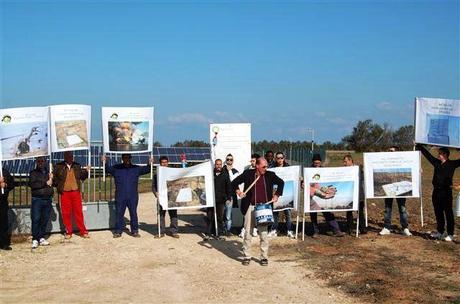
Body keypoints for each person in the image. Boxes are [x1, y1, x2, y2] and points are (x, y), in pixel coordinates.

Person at [232, 157, 284, 266]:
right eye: (263, 166)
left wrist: (276, 195)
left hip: (263, 208)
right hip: (250, 207)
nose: (266, 168)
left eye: (267, 166)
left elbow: (281, 183)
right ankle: (247, 256)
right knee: (248, 232)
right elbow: (234, 182)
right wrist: (239, 192)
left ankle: (264, 257)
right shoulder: (248, 174)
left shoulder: (270, 175)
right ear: (257, 166)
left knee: (263, 233)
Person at [416, 144, 460, 242]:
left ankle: (450, 233)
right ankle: (440, 232)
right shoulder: (436, 163)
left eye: (440, 153)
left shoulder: (452, 164)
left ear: (445, 155)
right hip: (436, 192)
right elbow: (428, 156)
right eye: (438, 153)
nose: (438, 155)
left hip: (446, 192)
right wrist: (419, 146)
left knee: (448, 213)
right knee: (438, 212)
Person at [103, 153, 152, 238]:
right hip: (120, 195)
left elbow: (147, 170)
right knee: (119, 214)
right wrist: (105, 161)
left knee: (133, 213)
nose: (127, 159)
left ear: (131, 158)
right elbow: (107, 169)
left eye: (128, 157)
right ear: (122, 158)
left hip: (132, 196)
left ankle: (135, 231)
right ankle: (118, 231)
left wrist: (150, 163)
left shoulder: (136, 168)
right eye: (125, 158)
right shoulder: (116, 168)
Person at [53, 151, 90, 239]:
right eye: (68, 156)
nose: (70, 157)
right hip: (65, 192)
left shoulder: (77, 165)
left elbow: (82, 177)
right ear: (64, 156)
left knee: (78, 212)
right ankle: (69, 231)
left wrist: (86, 171)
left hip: (75, 192)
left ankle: (83, 231)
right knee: (66, 213)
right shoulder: (59, 166)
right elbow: (55, 179)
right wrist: (57, 184)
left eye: (71, 156)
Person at [308, 154, 345, 237]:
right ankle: (315, 231)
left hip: (321, 193)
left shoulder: (324, 170)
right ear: (313, 162)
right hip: (311, 195)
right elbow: (305, 182)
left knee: (327, 211)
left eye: (318, 163)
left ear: (321, 162)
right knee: (313, 213)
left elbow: (327, 182)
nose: (317, 165)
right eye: (315, 163)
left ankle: (336, 230)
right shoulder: (308, 171)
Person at [378, 146, 412, 236]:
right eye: (389, 150)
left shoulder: (403, 162)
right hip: (389, 188)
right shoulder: (385, 162)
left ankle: (405, 228)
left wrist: (418, 170)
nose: (390, 152)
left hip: (400, 189)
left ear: (397, 152)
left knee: (402, 208)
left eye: (392, 151)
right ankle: (386, 227)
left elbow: (411, 166)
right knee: (387, 208)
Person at [29, 157, 54, 249]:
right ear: (36, 162)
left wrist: (52, 178)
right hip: (37, 199)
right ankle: (35, 238)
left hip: (47, 199)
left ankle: (41, 237)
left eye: (42, 161)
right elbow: (32, 184)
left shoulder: (49, 172)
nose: (40, 163)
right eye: (38, 161)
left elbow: (52, 184)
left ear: (45, 162)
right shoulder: (33, 173)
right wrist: (45, 182)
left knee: (45, 219)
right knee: (36, 219)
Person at [152, 156, 179, 238]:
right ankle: (161, 232)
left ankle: (174, 231)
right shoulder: (157, 174)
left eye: (165, 162)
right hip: (161, 197)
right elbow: (153, 186)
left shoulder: (173, 172)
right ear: (160, 163)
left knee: (173, 215)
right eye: (162, 162)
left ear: (168, 162)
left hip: (172, 197)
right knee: (161, 215)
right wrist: (155, 193)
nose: (164, 164)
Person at [269, 152, 295, 238]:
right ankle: (274, 229)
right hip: (276, 192)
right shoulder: (272, 168)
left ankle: (289, 230)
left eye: (281, 158)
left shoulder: (288, 167)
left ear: (284, 158)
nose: (280, 160)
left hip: (287, 192)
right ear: (275, 159)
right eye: (278, 158)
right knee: (275, 213)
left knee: (287, 213)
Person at [207, 159, 232, 239]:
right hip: (211, 200)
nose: (218, 166)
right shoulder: (211, 175)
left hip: (221, 200)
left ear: (221, 165)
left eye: (220, 164)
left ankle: (219, 233)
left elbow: (228, 187)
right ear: (215, 165)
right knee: (210, 217)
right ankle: (209, 233)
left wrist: (228, 198)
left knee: (220, 217)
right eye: (217, 164)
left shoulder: (225, 175)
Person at [343, 155, 367, 234]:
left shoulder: (358, 169)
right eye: (344, 162)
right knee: (349, 211)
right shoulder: (343, 170)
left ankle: (362, 228)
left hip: (358, 194)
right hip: (348, 194)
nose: (344, 163)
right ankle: (349, 228)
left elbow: (363, 178)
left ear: (350, 161)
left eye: (345, 161)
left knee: (360, 212)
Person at [240, 153, 260, 238]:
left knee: (256, 213)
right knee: (246, 213)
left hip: (257, 196)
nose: (251, 162)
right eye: (251, 161)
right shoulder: (246, 171)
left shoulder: (261, 171)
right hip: (248, 196)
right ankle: (243, 230)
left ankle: (255, 229)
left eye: (253, 161)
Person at [223, 153, 239, 235]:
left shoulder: (235, 171)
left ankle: (228, 230)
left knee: (228, 215)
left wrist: (229, 171)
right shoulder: (222, 170)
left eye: (231, 159)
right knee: (223, 213)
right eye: (228, 159)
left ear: (233, 161)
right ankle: (223, 229)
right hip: (222, 195)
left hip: (231, 195)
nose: (229, 161)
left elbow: (234, 181)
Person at [0, 167, 15, 250]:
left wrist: (5, 184)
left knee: (3, 222)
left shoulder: (5, 172)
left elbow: (12, 184)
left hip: (3, 201)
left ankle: (3, 243)